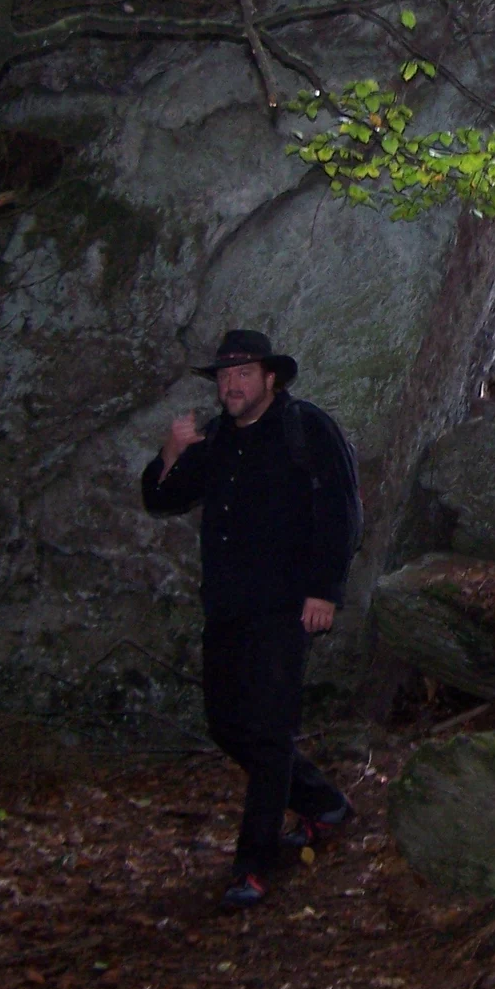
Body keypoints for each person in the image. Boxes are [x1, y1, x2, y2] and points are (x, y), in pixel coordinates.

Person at [141, 329, 358, 909]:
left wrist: (324, 591)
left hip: (286, 607)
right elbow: (161, 498)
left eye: (243, 373)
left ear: (271, 378)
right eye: (223, 376)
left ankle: (254, 865)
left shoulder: (305, 427)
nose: (231, 384)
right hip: (228, 607)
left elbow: (340, 509)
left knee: (268, 731)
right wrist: (170, 452)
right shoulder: (213, 440)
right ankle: (323, 803)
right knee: (226, 725)